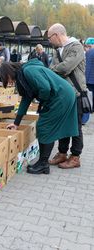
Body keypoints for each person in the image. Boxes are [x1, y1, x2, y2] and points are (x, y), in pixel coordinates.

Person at [1, 59, 78, 174]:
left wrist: (43, 102)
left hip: (60, 96)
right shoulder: (23, 75)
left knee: (44, 127)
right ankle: (45, 162)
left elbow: (45, 88)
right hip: (63, 94)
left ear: (9, 72)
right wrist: (16, 123)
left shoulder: (28, 71)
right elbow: (26, 99)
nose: (10, 82)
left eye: (7, 79)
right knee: (49, 127)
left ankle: (43, 164)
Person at [48, 23, 87, 169]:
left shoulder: (76, 47)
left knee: (75, 126)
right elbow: (55, 68)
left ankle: (75, 156)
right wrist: (56, 68)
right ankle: (62, 153)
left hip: (76, 93)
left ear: (56, 35)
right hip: (63, 94)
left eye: (50, 37)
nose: (49, 41)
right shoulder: (57, 50)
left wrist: (55, 68)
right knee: (63, 124)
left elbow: (66, 67)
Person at [85, 37, 94, 108]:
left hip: (88, 80)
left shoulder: (87, 53)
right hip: (90, 80)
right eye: (86, 46)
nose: (87, 48)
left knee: (89, 97)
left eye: (89, 46)